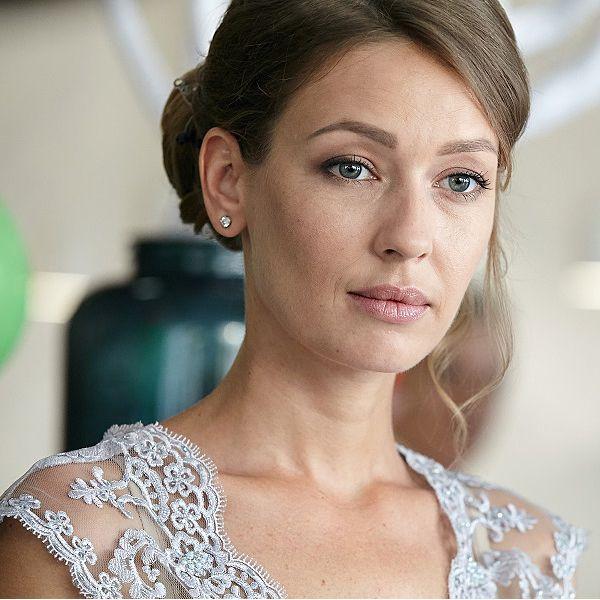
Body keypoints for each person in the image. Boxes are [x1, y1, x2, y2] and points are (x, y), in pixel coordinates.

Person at [0, 0, 590, 597]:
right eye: (352, 168)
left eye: (461, 180)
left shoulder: (520, 561)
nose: (411, 237)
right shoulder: (83, 544)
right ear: (228, 180)